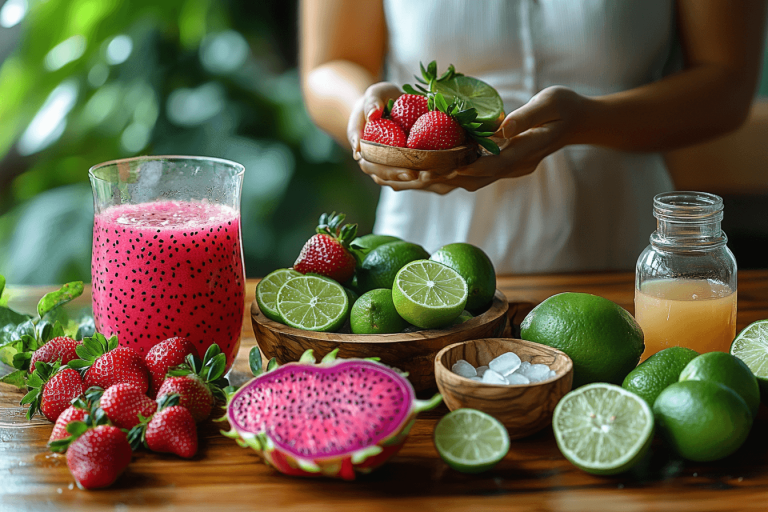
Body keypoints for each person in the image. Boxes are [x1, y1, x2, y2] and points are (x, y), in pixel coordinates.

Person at [299, 0, 766, 273]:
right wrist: (369, 114)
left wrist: (588, 121)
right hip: (426, 245)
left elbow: (727, 81)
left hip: (620, 243)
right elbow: (329, 64)